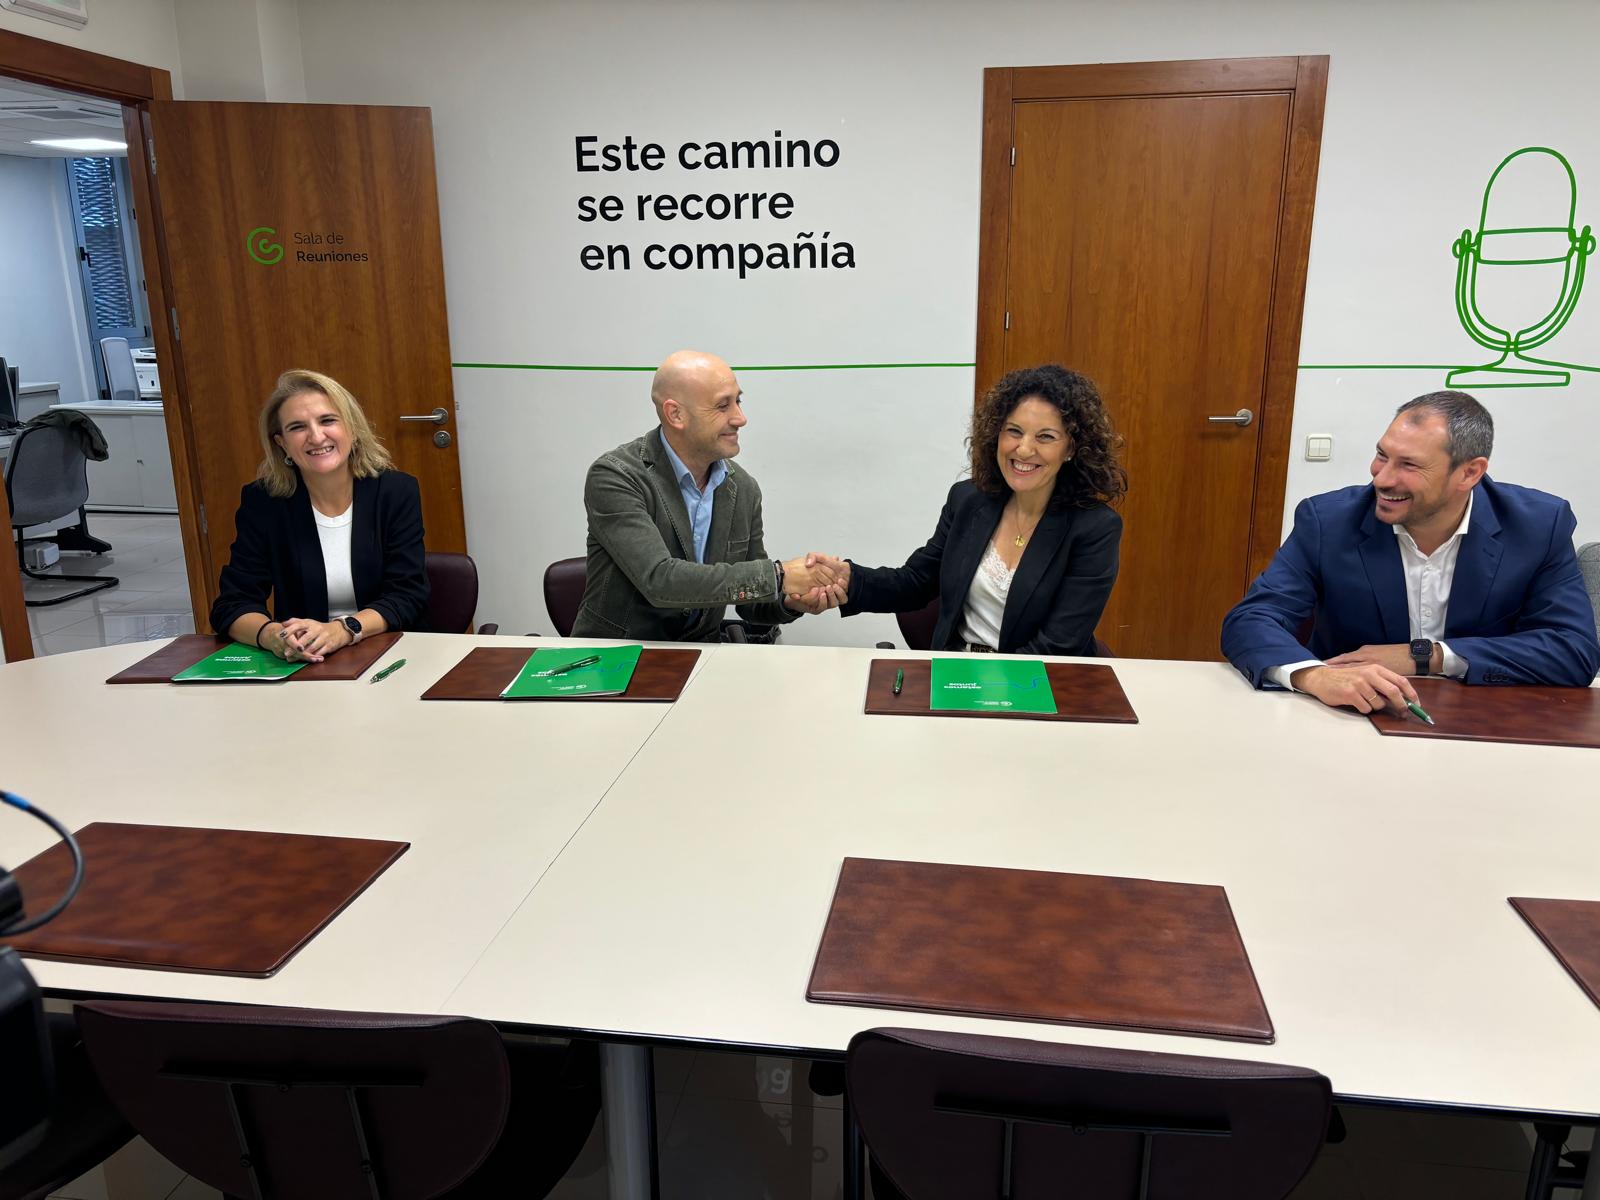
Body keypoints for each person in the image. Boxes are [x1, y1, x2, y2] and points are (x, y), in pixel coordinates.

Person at [1221, 390, 1600, 712]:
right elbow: (1252, 620)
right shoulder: (1328, 521)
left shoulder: (1538, 526)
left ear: (1469, 473)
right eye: (1382, 455)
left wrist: (1426, 655)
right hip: (1351, 719)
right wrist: (1316, 676)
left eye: (1409, 465)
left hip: (1484, 721)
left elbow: (1574, 652)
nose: (1382, 478)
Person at [836, 364, 1126, 654]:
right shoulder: (968, 500)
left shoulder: (1095, 529)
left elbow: (1058, 645)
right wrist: (844, 580)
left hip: (1038, 684)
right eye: (1014, 431)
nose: (1023, 449)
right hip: (958, 671)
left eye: (1045, 437)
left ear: (1072, 449)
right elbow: (915, 582)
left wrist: (985, 689)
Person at [574, 350, 843, 641]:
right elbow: (660, 581)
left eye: (738, 401)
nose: (740, 419)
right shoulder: (616, 476)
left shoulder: (743, 488)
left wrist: (791, 600)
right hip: (617, 657)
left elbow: (751, 603)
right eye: (722, 406)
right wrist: (778, 575)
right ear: (675, 414)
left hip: (701, 657)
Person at [210, 369, 429, 661]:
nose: (315, 436)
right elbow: (233, 603)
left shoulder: (395, 492)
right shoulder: (264, 502)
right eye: (298, 427)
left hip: (386, 653)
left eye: (327, 420)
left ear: (352, 428)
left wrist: (344, 629)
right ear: (282, 443)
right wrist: (274, 636)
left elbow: (408, 594)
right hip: (305, 660)